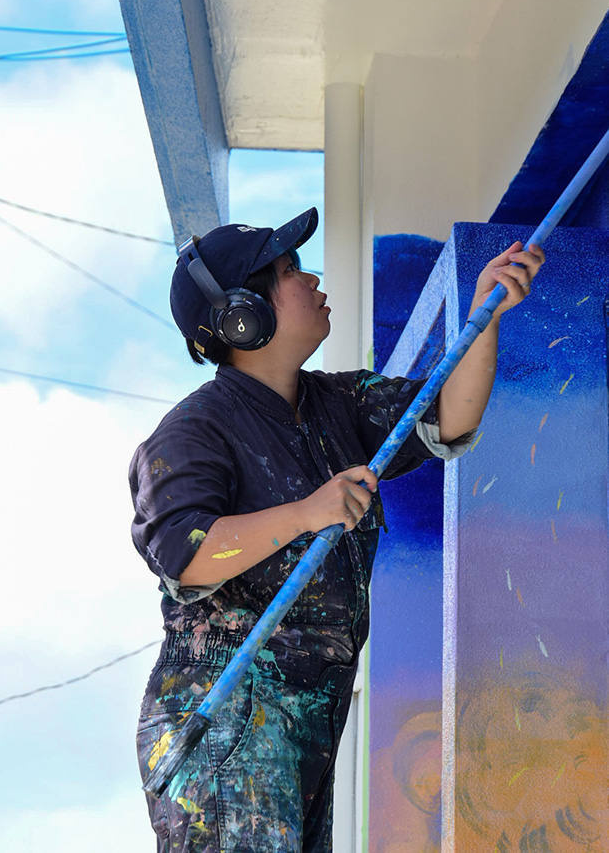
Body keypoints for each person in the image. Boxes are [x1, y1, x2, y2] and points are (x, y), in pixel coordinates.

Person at [129, 207, 544, 853]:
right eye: (289, 270)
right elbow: (186, 555)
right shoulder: (194, 430)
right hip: (227, 711)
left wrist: (485, 313)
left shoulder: (339, 403)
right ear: (242, 316)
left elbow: (449, 415)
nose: (312, 278)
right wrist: (305, 512)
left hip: (310, 709)